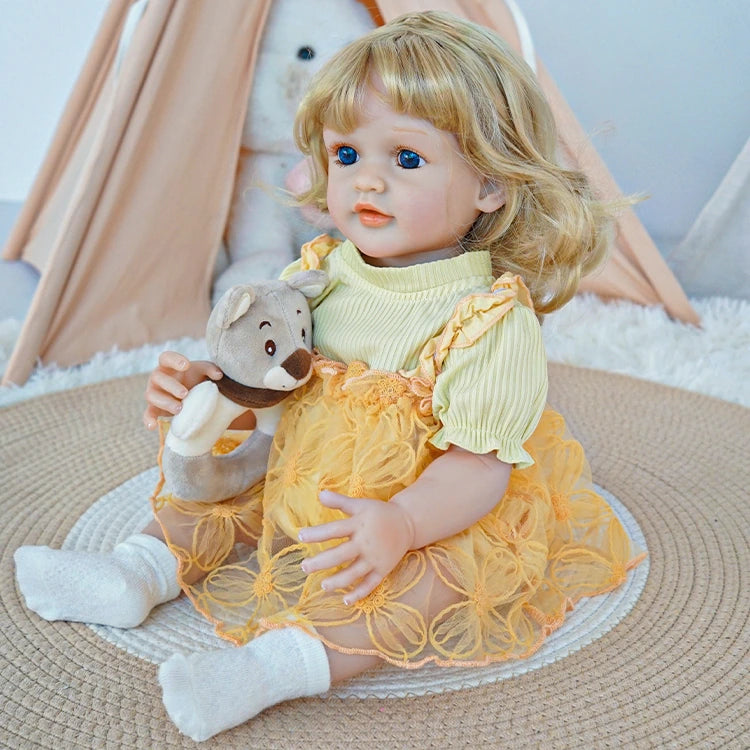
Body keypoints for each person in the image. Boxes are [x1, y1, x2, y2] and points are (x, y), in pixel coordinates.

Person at [15, 11, 644, 742]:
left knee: (424, 583)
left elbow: (478, 466)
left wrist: (403, 522)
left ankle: (277, 666)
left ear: (491, 186)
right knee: (223, 496)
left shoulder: (486, 320)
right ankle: (138, 569)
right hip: (303, 468)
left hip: (425, 504)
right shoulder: (319, 275)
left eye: (406, 160)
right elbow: (273, 383)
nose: (366, 180)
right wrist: (206, 390)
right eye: (346, 154)